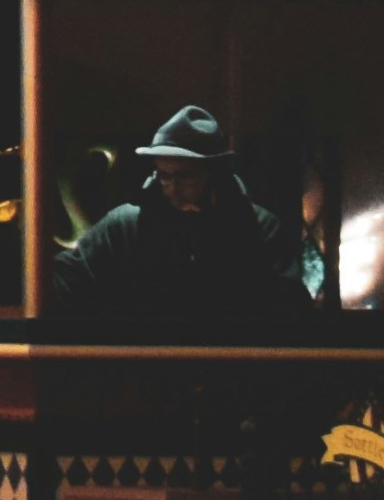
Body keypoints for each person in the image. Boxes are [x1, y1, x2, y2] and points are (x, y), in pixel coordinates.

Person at [58, 106, 306, 333]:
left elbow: (290, 311)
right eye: (164, 176)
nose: (173, 189)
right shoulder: (125, 226)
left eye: (185, 177)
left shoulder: (259, 228)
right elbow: (65, 280)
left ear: (213, 173)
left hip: (228, 370)